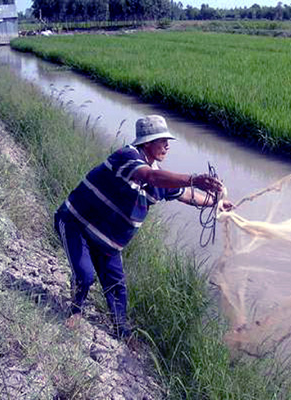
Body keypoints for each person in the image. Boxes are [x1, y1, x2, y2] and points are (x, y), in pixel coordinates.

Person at [54, 115, 233, 338]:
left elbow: (186, 195)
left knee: (117, 287)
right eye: (162, 140)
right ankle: (75, 310)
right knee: (85, 275)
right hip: (75, 223)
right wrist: (194, 178)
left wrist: (215, 203)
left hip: (108, 241)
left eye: (167, 141)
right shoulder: (127, 157)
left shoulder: (161, 177)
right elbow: (149, 176)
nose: (167, 145)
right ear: (147, 142)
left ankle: (121, 332)